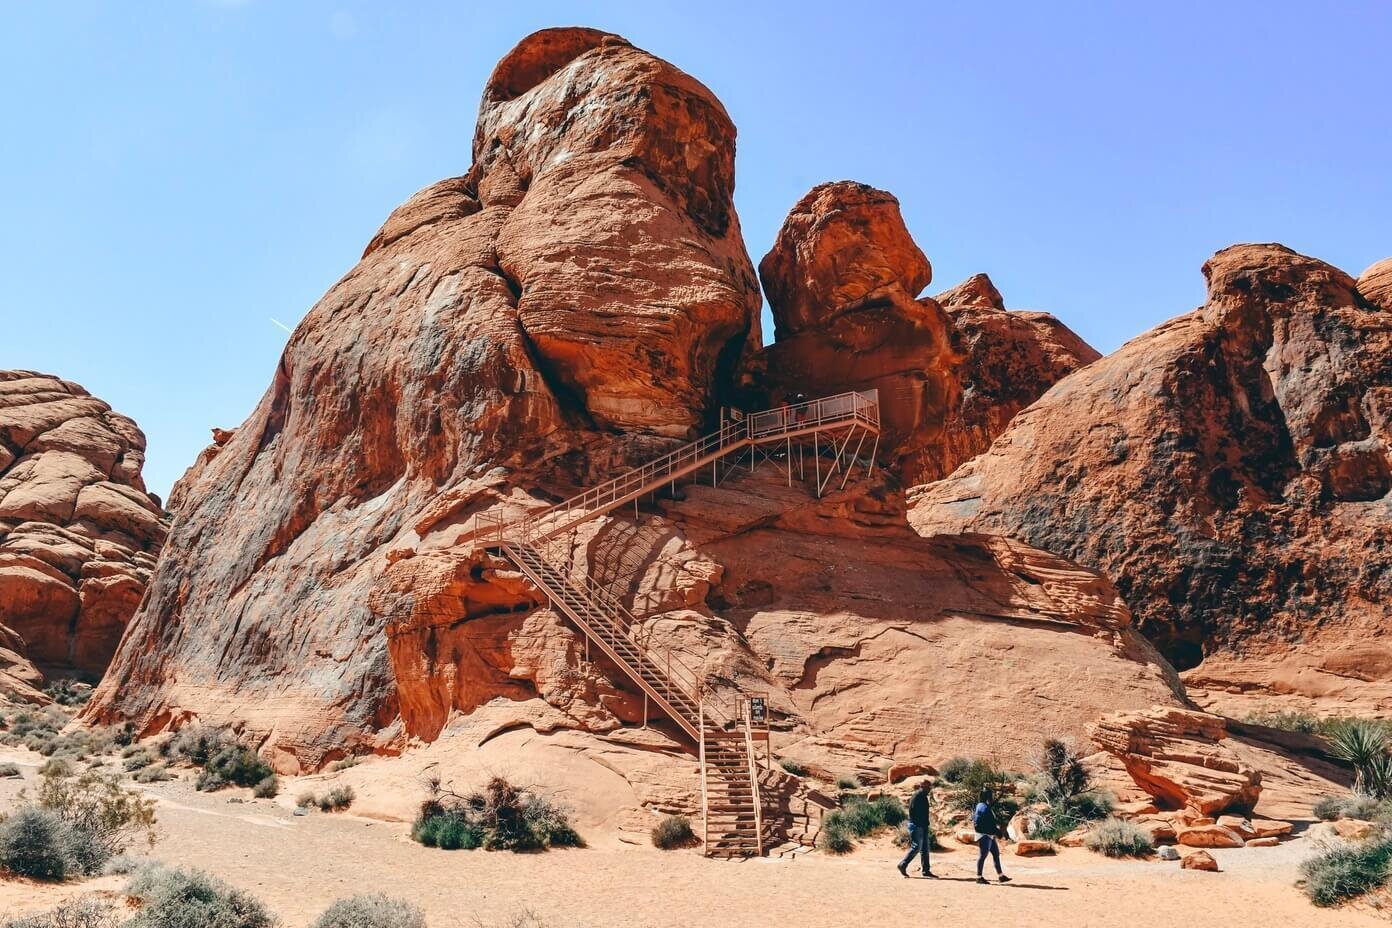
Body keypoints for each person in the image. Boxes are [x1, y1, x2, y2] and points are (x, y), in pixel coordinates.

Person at [897, 780, 936, 878]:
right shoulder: (917, 796)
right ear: (922, 786)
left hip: (923, 825)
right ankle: (903, 864)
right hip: (917, 825)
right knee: (916, 847)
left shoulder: (923, 797)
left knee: (925, 849)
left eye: (929, 787)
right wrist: (919, 824)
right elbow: (912, 812)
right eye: (927, 787)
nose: (929, 789)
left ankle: (926, 871)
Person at [973, 787, 1011, 884]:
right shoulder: (984, 807)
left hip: (988, 834)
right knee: (983, 855)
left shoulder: (981, 805)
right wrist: (997, 831)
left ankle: (1001, 876)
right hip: (985, 834)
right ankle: (979, 877)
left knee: (995, 854)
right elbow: (989, 822)